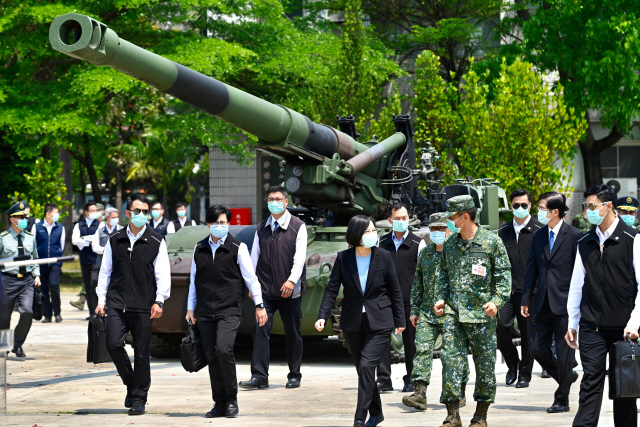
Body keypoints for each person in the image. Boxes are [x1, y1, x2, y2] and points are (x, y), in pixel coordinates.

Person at [316, 215, 405, 427]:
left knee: (366, 366)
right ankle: (377, 414)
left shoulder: (383, 256)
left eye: (374, 230)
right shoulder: (343, 258)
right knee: (362, 369)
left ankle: (359, 418)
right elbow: (331, 289)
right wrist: (322, 315)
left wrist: (399, 318)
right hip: (352, 321)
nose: (373, 235)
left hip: (380, 321)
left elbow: (394, 289)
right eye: (367, 231)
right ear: (356, 235)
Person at [566, 184, 640, 427]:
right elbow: (577, 284)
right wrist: (572, 322)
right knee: (590, 385)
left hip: (624, 330)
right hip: (592, 327)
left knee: (625, 390)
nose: (587, 211)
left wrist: (634, 323)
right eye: (586, 206)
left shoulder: (633, 239)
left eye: (591, 206)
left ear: (608, 206)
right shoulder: (585, 241)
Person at [434, 195, 511, 427]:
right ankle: (452, 414)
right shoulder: (450, 243)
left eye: (451, 217)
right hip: (454, 315)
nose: (448, 221)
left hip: (481, 316)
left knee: (485, 365)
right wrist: (440, 299)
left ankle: (480, 415)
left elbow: (504, 278)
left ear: (464, 216)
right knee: (450, 362)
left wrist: (496, 302)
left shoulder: (491, 242)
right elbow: (443, 277)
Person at [185, 205, 268, 418]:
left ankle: (232, 399)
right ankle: (219, 402)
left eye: (223, 223)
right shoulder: (199, 248)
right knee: (211, 355)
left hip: (229, 309)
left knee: (223, 350)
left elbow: (251, 278)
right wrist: (190, 308)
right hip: (204, 311)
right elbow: (194, 281)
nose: (220, 226)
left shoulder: (237, 247)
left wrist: (259, 305)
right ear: (208, 225)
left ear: (228, 224)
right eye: (215, 223)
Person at [95, 194, 171, 416]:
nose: (141, 215)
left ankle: (139, 398)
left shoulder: (157, 240)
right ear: (128, 214)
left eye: (145, 212)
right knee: (113, 344)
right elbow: (105, 271)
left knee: (141, 353)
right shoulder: (115, 238)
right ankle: (131, 382)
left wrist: (159, 300)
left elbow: (163, 274)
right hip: (117, 303)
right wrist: (101, 301)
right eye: (137, 211)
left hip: (143, 305)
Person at [239, 186, 307, 390]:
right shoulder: (261, 228)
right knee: (260, 330)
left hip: (289, 291)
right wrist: (252, 285)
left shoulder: (298, 226)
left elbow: (300, 257)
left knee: (293, 333)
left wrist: (292, 280)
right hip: (265, 291)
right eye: (270, 199)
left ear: (286, 202)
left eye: (278, 199)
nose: (274, 202)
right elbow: (254, 258)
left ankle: (294, 374)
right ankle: (259, 376)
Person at [402, 213, 470, 411]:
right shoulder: (425, 253)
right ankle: (419, 394)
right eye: (433, 229)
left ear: (450, 229)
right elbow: (418, 284)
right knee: (422, 350)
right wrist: (414, 309)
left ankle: (459, 390)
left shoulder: (459, 252)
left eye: (441, 229)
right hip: (426, 313)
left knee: (453, 355)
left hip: (452, 314)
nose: (437, 232)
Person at [521, 191, 581, 413]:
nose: (539, 212)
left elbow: (581, 273)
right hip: (542, 303)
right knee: (536, 348)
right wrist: (526, 297)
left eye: (543, 209)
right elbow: (532, 269)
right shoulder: (538, 236)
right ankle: (566, 376)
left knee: (566, 355)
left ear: (555, 211)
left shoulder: (575, 236)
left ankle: (561, 399)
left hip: (566, 306)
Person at [376, 202, 426, 393]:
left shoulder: (417, 243)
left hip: (408, 301)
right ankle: (383, 379)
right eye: (397, 219)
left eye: (404, 218)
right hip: (385, 300)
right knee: (381, 341)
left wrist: (420, 302)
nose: (401, 221)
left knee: (411, 342)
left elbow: (422, 275)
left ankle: (411, 378)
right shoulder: (381, 242)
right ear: (389, 221)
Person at [496, 189, 543, 388]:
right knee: (501, 328)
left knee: (527, 335)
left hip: (529, 292)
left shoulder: (539, 231)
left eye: (524, 205)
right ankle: (512, 364)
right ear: (511, 206)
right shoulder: (503, 232)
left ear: (530, 206)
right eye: (516, 205)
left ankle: (525, 374)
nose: (520, 208)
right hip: (506, 292)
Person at [0, 202, 41, 358]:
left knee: (27, 312)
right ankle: (3, 347)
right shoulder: (3, 239)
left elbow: (35, 258)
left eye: (26, 217)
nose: (25, 220)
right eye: (21, 217)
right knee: (4, 316)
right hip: (7, 280)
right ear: (12, 219)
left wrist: (37, 275)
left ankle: (17, 344)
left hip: (26, 281)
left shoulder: (30, 238)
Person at [34, 203, 65, 323]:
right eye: (55, 213)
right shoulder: (37, 227)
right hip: (41, 262)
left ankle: (57, 312)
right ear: (48, 214)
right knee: (43, 289)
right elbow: (34, 245)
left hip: (55, 262)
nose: (57, 215)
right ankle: (47, 314)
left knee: (53, 285)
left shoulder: (60, 227)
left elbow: (61, 246)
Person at [89, 207, 122, 316]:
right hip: (100, 264)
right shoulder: (100, 231)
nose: (115, 219)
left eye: (117, 217)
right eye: (113, 217)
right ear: (107, 218)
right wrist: (106, 250)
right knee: (94, 283)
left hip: (117, 265)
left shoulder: (122, 230)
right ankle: (96, 309)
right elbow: (95, 247)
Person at [72, 202, 102, 319]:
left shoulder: (100, 225)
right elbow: (75, 240)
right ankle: (91, 312)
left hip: (96, 259)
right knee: (88, 287)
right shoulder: (79, 225)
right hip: (84, 259)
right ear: (86, 212)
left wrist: (86, 239)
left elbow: (97, 238)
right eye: (92, 210)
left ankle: (97, 310)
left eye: (96, 210)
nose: (95, 213)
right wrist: (88, 241)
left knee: (94, 283)